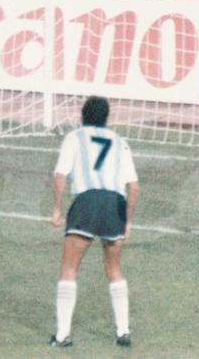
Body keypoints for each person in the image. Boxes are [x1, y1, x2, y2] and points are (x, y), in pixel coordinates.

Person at [50, 95, 139, 349]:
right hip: (115, 205)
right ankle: (123, 332)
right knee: (114, 269)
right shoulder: (120, 142)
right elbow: (134, 186)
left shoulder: (74, 138)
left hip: (87, 203)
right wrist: (127, 221)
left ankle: (62, 335)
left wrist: (57, 209)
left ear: (83, 115)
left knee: (69, 269)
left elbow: (60, 175)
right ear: (106, 117)